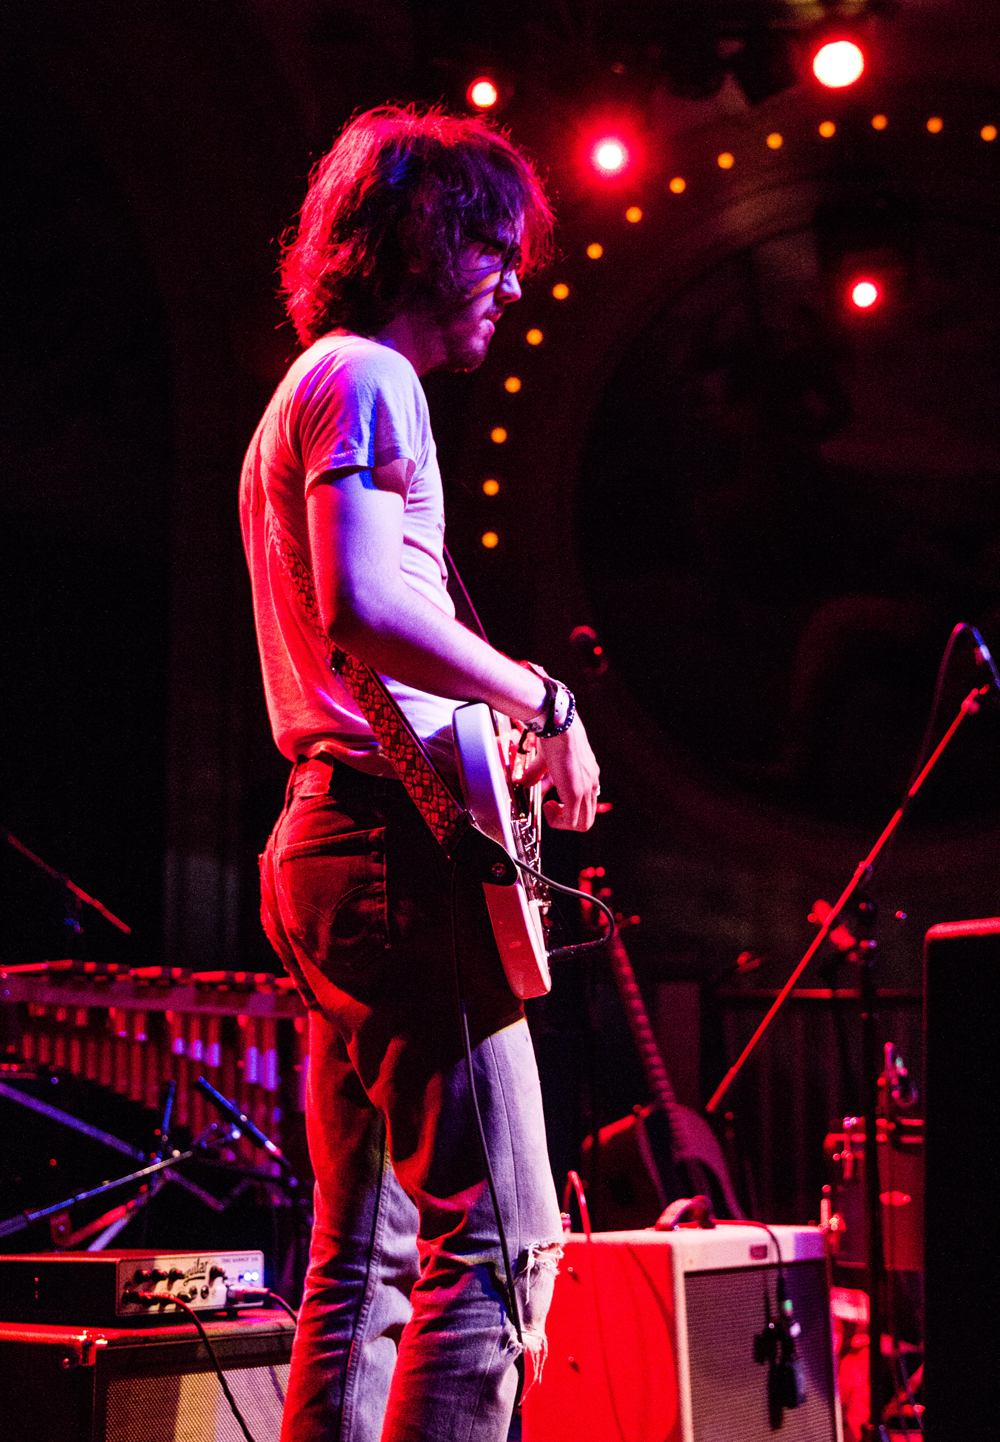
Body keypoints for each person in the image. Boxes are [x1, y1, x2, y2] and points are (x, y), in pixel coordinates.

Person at [239, 106, 600, 1442]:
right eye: (499, 248)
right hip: (389, 853)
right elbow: (363, 610)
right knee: (503, 1245)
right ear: (426, 243)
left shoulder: (312, 386)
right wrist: (544, 697)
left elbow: (370, 638)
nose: (516, 277)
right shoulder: (367, 378)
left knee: (364, 1261)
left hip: (329, 841)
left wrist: (483, 720)